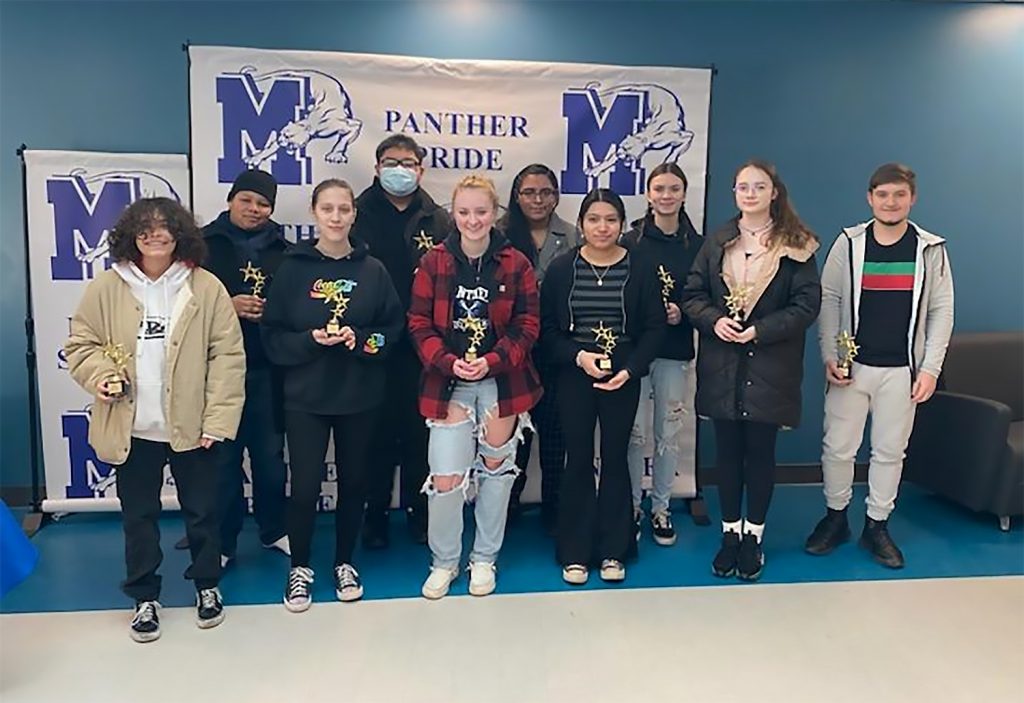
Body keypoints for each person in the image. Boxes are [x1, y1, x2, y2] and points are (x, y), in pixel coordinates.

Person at [65, 197, 244, 642]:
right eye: (144, 228)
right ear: (131, 235)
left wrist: (217, 421)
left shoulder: (205, 288)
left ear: (179, 233)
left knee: (203, 513)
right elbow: (80, 345)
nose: (155, 234)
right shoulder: (106, 287)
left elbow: (227, 357)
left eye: (164, 226)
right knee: (138, 517)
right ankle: (145, 597)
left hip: (192, 427)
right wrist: (102, 376)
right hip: (132, 428)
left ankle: (206, 587)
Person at [261, 179, 403, 611]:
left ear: (353, 214)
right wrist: (310, 341)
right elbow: (272, 339)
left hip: (360, 398)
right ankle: (300, 567)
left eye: (344, 209)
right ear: (314, 213)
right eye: (328, 209)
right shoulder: (291, 269)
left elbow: (391, 334)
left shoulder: (373, 270)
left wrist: (359, 340)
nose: (337, 217)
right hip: (305, 398)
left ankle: (344, 561)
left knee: (355, 483)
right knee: (303, 487)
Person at [806, 163, 954, 569]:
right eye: (883, 195)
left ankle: (877, 526)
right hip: (852, 368)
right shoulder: (849, 243)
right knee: (838, 448)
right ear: (870, 198)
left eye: (899, 195)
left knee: (890, 451)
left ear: (912, 198)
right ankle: (836, 519)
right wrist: (832, 356)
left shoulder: (930, 248)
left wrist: (930, 369)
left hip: (902, 371)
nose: (891, 202)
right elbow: (830, 298)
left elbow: (942, 310)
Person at [681, 159, 820, 582]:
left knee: (759, 453)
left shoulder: (798, 244)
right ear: (734, 193)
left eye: (759, 186)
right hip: (722, 362)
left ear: (774, 192)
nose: (751, 193)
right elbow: (692, 294)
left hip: (769, 365)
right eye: (743, 187)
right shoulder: (718, 241)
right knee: (727, 453)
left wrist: (759, 329)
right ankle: (729, 535)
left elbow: (805, 306)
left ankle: (753, 536)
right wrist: (713, 321)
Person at [408, 175, 541, 599]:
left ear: (495, 212)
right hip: (447, 384)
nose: (472, 220)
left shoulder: (516, 262)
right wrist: (448, 362)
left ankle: (484, 558)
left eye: (481, 211)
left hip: (502, 381)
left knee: (497, 474)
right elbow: (419, 324)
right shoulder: (434, 262)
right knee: (446, 478)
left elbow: (527, 325)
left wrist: (492, 360)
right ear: (452, 212)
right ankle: (444, 562)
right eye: (463, 212)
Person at [541, 188, 666, 585]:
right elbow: (546, 331)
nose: (602, 227)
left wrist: (630, 370)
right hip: (575, 371)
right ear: (581, 224)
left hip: (623, 374)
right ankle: (574, 551)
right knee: (577, 458)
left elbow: (655, 327)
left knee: (615, 458)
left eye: (610, 219)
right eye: (593, 219)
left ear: (621, 224)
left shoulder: (641, 268)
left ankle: (615, 550)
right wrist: (578, 357)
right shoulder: (562, 269)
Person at [353, 135, 452, 549]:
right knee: (374, 435)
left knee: (419, 435)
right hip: (372, 343)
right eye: (391, 162)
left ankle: (418, 512)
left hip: (422, 345)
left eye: (409, 163)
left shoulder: (438, 219)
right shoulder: (357, 214)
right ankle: (374, 515)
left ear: (421, 170)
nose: (400, 170)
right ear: (377, 167)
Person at [197, 169, 290, 565]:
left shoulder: (285, 250)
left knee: (270, 459)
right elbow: (183, 306)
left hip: (268, 369)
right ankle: (222, 542)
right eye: (247, 200)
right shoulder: (200, 246)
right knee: (223, 462)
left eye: (263, 204)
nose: (254, 209)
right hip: (215, 371)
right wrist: (227, 307)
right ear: (231, 200)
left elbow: (297, 307)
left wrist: (273, 312)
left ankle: (274, 530)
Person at [622, 163, 706, 547]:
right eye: (659, 188)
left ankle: (661, 508)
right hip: (637, 351)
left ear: (685, 194)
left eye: (674, 188)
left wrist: (682, 313)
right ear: (648, 193)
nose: (666, 195)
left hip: (674, 350)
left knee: (668, 433)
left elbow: (707, 298)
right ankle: (632, 507)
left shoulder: (699, 244)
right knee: (635, 433)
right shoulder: (630, 241)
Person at [500, 164, 578, 532]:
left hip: (557, 351)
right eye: (529, 192)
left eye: (545, 192)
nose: (537, 199)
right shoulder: (500, 235)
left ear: (556, 196)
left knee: (555, 436)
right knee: (513, 439)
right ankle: (505, 509)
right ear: (516, 196)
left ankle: (555, 510)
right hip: (512, 353)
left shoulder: (574, 236)